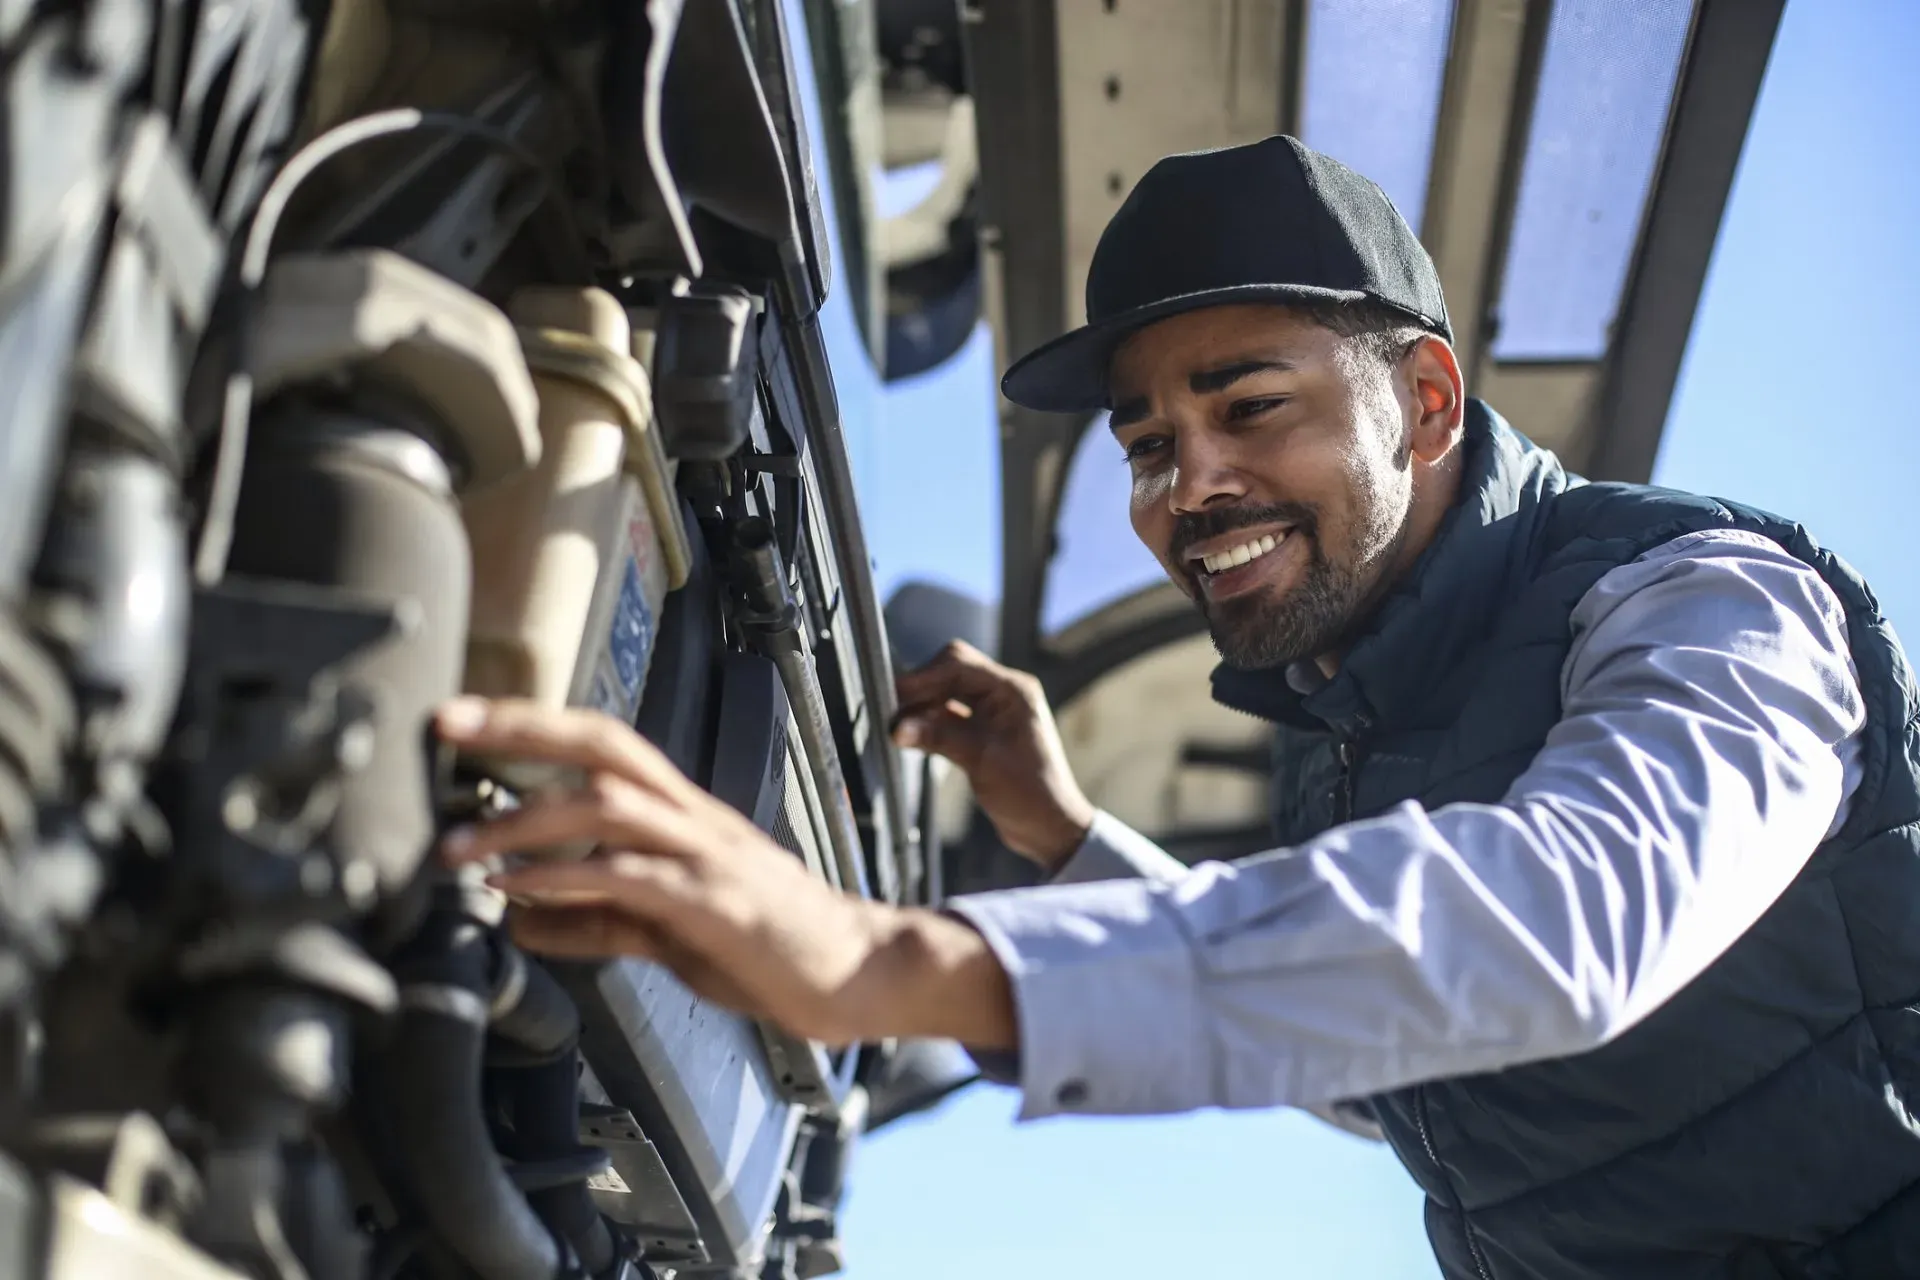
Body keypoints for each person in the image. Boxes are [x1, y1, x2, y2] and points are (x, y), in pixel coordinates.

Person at [431, 136, 1920, 1278]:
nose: (1188, 484)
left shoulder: (1710, 603)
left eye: (1249, 405)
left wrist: (892, 960)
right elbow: (1397, 1072)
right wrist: (1068, 840)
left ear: (1429, 402)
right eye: (1147, 442)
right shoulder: (1348, 744)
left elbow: (1572, 921)